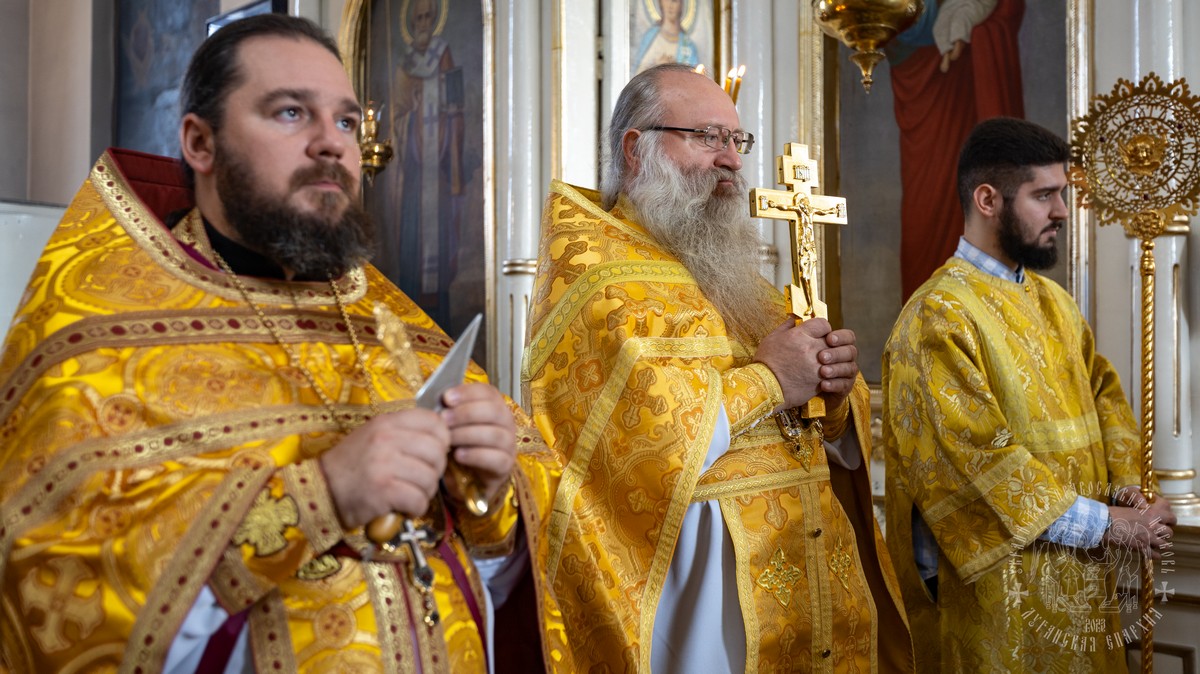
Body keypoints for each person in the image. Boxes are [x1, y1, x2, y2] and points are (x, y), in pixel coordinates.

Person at [0, 15, 569, 673]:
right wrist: (320, 495)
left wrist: (489, 501)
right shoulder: (99, 340)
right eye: (291, 113)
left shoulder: (392, 323)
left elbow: (496, 590)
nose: (331, 144)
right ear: (200, 142)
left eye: (347, 122)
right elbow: (61, 598)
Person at [523, 63, 914, 672]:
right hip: (700, 607)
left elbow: (814, 432)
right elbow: (647, 448)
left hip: (806, 576)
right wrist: (769, 380)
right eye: (707, 137)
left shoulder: (736, 282)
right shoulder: (598, 281)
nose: (732, 160)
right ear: (636, 149)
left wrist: (835, 398)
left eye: (737, 140)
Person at [881, 117, 1177, 672]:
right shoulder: (938, 316)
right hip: (1001, 603)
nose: (1062, 211)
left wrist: (1131, 491)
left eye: (1061, 193)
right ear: (988, 199)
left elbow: (1105, 398)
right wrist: (1110, 524)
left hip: (1085, 582)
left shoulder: (1055, 301)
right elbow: (976, 463)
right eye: (1044, 195)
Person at [389, 0, 465, 327]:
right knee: (412, 238)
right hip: (415, 172)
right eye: (418, 18)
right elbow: (397, 116)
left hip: (440, 166)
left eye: (427, 17)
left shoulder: (443, 54)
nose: (422, 23)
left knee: (440, 237)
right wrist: (413, 117)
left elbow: (456, 107)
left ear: (434, 20)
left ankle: (440, 315)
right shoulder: (405, 65)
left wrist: (449, 121)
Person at [633, 0, 699, 74]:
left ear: (681, 5)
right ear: (660, 3)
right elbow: (638, 74)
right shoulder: (650, 37)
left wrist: (672, 68)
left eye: (674, 1)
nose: (670, 5)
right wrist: (657, 67)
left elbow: (694, 77)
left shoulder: (688, 46)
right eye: (666, 0)